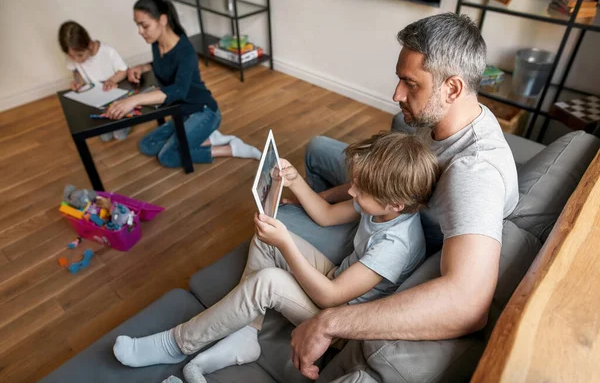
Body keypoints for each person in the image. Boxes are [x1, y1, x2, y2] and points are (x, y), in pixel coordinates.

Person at [279, 12, 520, 380]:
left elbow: (468, 303)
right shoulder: (442, 119)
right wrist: (318, 196)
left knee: (275, 223)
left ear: (452, 88)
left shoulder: (474, 174)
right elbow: (385, 180)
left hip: (388, 228)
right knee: (316, 149)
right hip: (382, 199)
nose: (396, 95)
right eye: (399, 80)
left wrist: (329, 323)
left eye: (410, 84)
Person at [112, 131, 439, 383]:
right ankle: (246, 333)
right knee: (267, 236)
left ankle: (177, 343)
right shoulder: (382, 205)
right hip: (337, 281)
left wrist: (286, 245)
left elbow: (330, 297)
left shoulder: (395, 245)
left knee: (269, 280)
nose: (352, 192)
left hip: (338, 320)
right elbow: (325, 214)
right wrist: (295, 182)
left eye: (361, 191)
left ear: (396, 204)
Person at [105, 0, 260, 167]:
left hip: (204, 111)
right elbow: (163, 65)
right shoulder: (157, 44)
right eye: (138, 25)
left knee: (167, 157)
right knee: (146, 145)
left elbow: (178, 90)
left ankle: (231, 148)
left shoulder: (185, 51)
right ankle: (207, 138)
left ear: (162, 20)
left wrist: (134, 100)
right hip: (182, 113)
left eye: (144, 25)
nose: (140, 31)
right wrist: (141, 67)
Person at [58, 21, 131, 142]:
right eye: (72, 57)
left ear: (90, 45)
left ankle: (125, 121)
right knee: (105, 137)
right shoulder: (73, 56)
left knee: (119, 135)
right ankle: (110, 120)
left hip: (114, 96)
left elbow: (123, 70)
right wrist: (77, 82)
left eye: (80, 55)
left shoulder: (107, 52)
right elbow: (76, 71)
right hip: (96, 99)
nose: (77, 60)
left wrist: (111, 80)